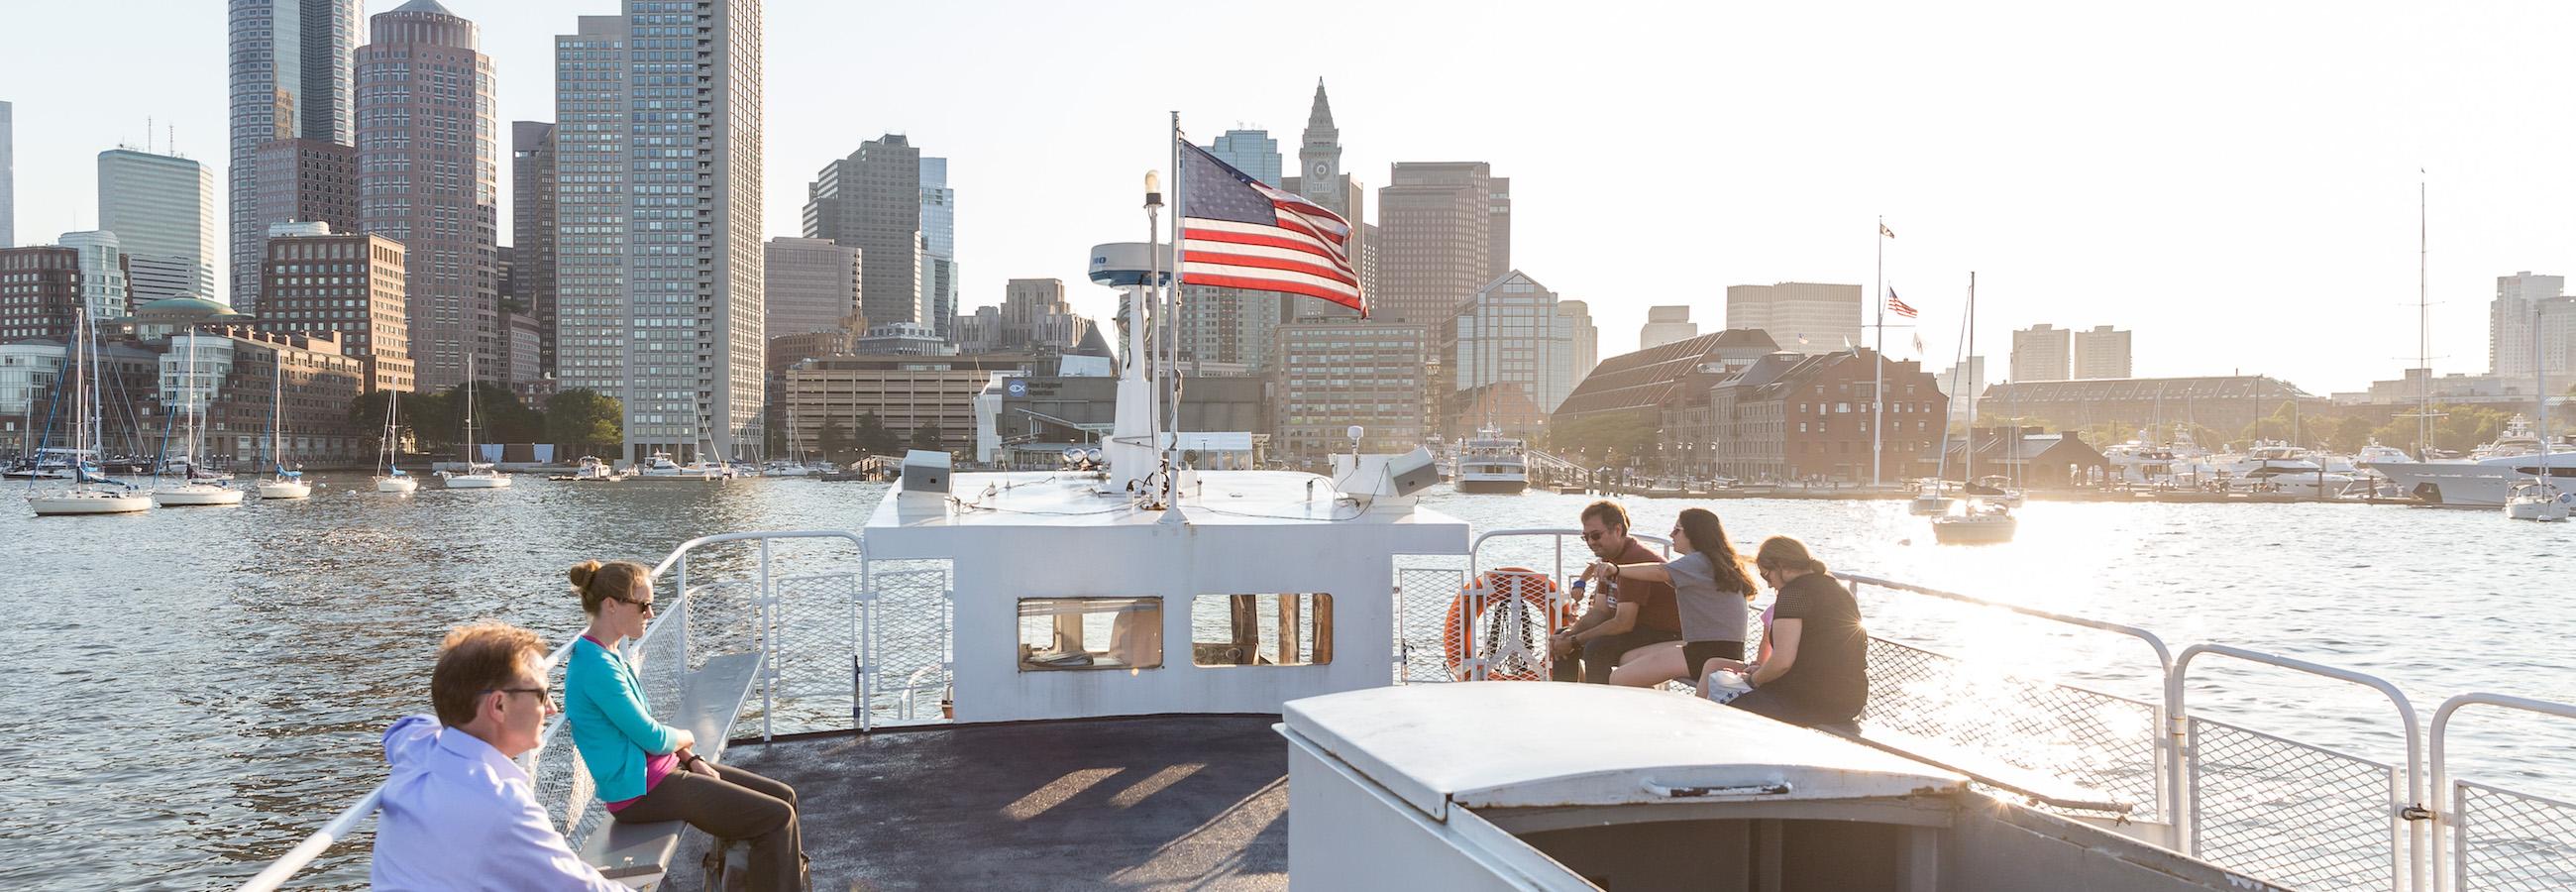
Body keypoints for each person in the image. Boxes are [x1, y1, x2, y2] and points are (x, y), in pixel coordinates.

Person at [563, 560, 807, 892]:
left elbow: (646, 730)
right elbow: (650, 735)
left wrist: (691, 759)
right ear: (611, 606)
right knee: (775, 819)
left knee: (784, 798)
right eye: (644, 605)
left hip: (662, 774)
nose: (650, 613)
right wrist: (687, 737)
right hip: (641, 792)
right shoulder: (596, 667)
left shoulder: (609, 654)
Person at [373, 622, 630, 890]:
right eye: (541, 694)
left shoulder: (418, 749)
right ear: (498, 705)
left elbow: (405, 727)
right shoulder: (504, 807)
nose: (552, 708)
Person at [1585, 507, 1759, 690]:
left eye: (1677, 530)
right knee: (1627, 659)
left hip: (1706, 653)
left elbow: (1660, 571)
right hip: (1717, 649)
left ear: (1693, 534)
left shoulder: (1698, 561)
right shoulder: (1714, 562)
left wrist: (1617, 569)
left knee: (1618, 678)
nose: (1671, 534)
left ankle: (1655, 714)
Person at [1725, 536, 1870, 726]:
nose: (1768, 584)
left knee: (1727, 708)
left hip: (1812, 698)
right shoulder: (1835, 586)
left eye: (1766, 575)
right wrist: (1763, 671)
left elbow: (1783, 662)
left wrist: (1753, 679)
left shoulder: (1793, 594)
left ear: (1782, 565)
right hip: (1850, 698)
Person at [1547, 501, 1683, 683]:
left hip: (1664, 632)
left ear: (1617, 530)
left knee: (1597, 648)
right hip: (1638, 628)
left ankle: (1602, 705)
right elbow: (1600, 611)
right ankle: (1568, 699)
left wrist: (1574, 641)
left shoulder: (1635, 559)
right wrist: (1568, 635)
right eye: (1585, 537)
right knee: (1560, 635)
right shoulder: (1609, 559)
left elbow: (1623, 622)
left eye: (1595, 535)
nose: (1590, 543)